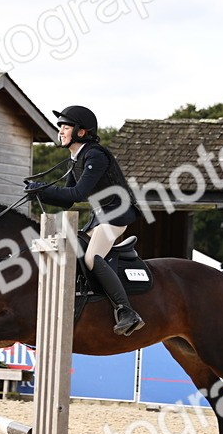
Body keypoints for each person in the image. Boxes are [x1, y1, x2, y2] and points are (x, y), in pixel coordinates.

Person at [24, 104, 143, 336]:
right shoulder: (76, 158)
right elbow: (68, 202)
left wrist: (42, 189)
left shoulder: (95, 155)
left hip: (116, 214)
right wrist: (39, 191)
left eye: (65, 127)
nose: (60, 131)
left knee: (92, 257)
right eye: (60, 127)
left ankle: (127, 311)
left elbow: (77, 194)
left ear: (81, 131)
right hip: (99, 217)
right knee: (74, 250)